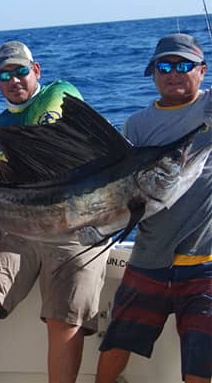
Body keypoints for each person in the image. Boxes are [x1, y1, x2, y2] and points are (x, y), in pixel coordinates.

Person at [0, 41, 109, 383]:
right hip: (20, 226)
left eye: (21, 71)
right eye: (5, 74)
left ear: (36, 70)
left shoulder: (60, 94)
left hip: (76, 225)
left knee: (65, 317)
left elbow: (46, 142)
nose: (14, 80)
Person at [96, 33, 212, 383]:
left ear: (202, 71)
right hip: (149, 259)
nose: (174, 73)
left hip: (205, 264)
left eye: (184, 66)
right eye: (165, 66)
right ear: (153, 73)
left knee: (200, 364)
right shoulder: (137, 125)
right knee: (115, 347)